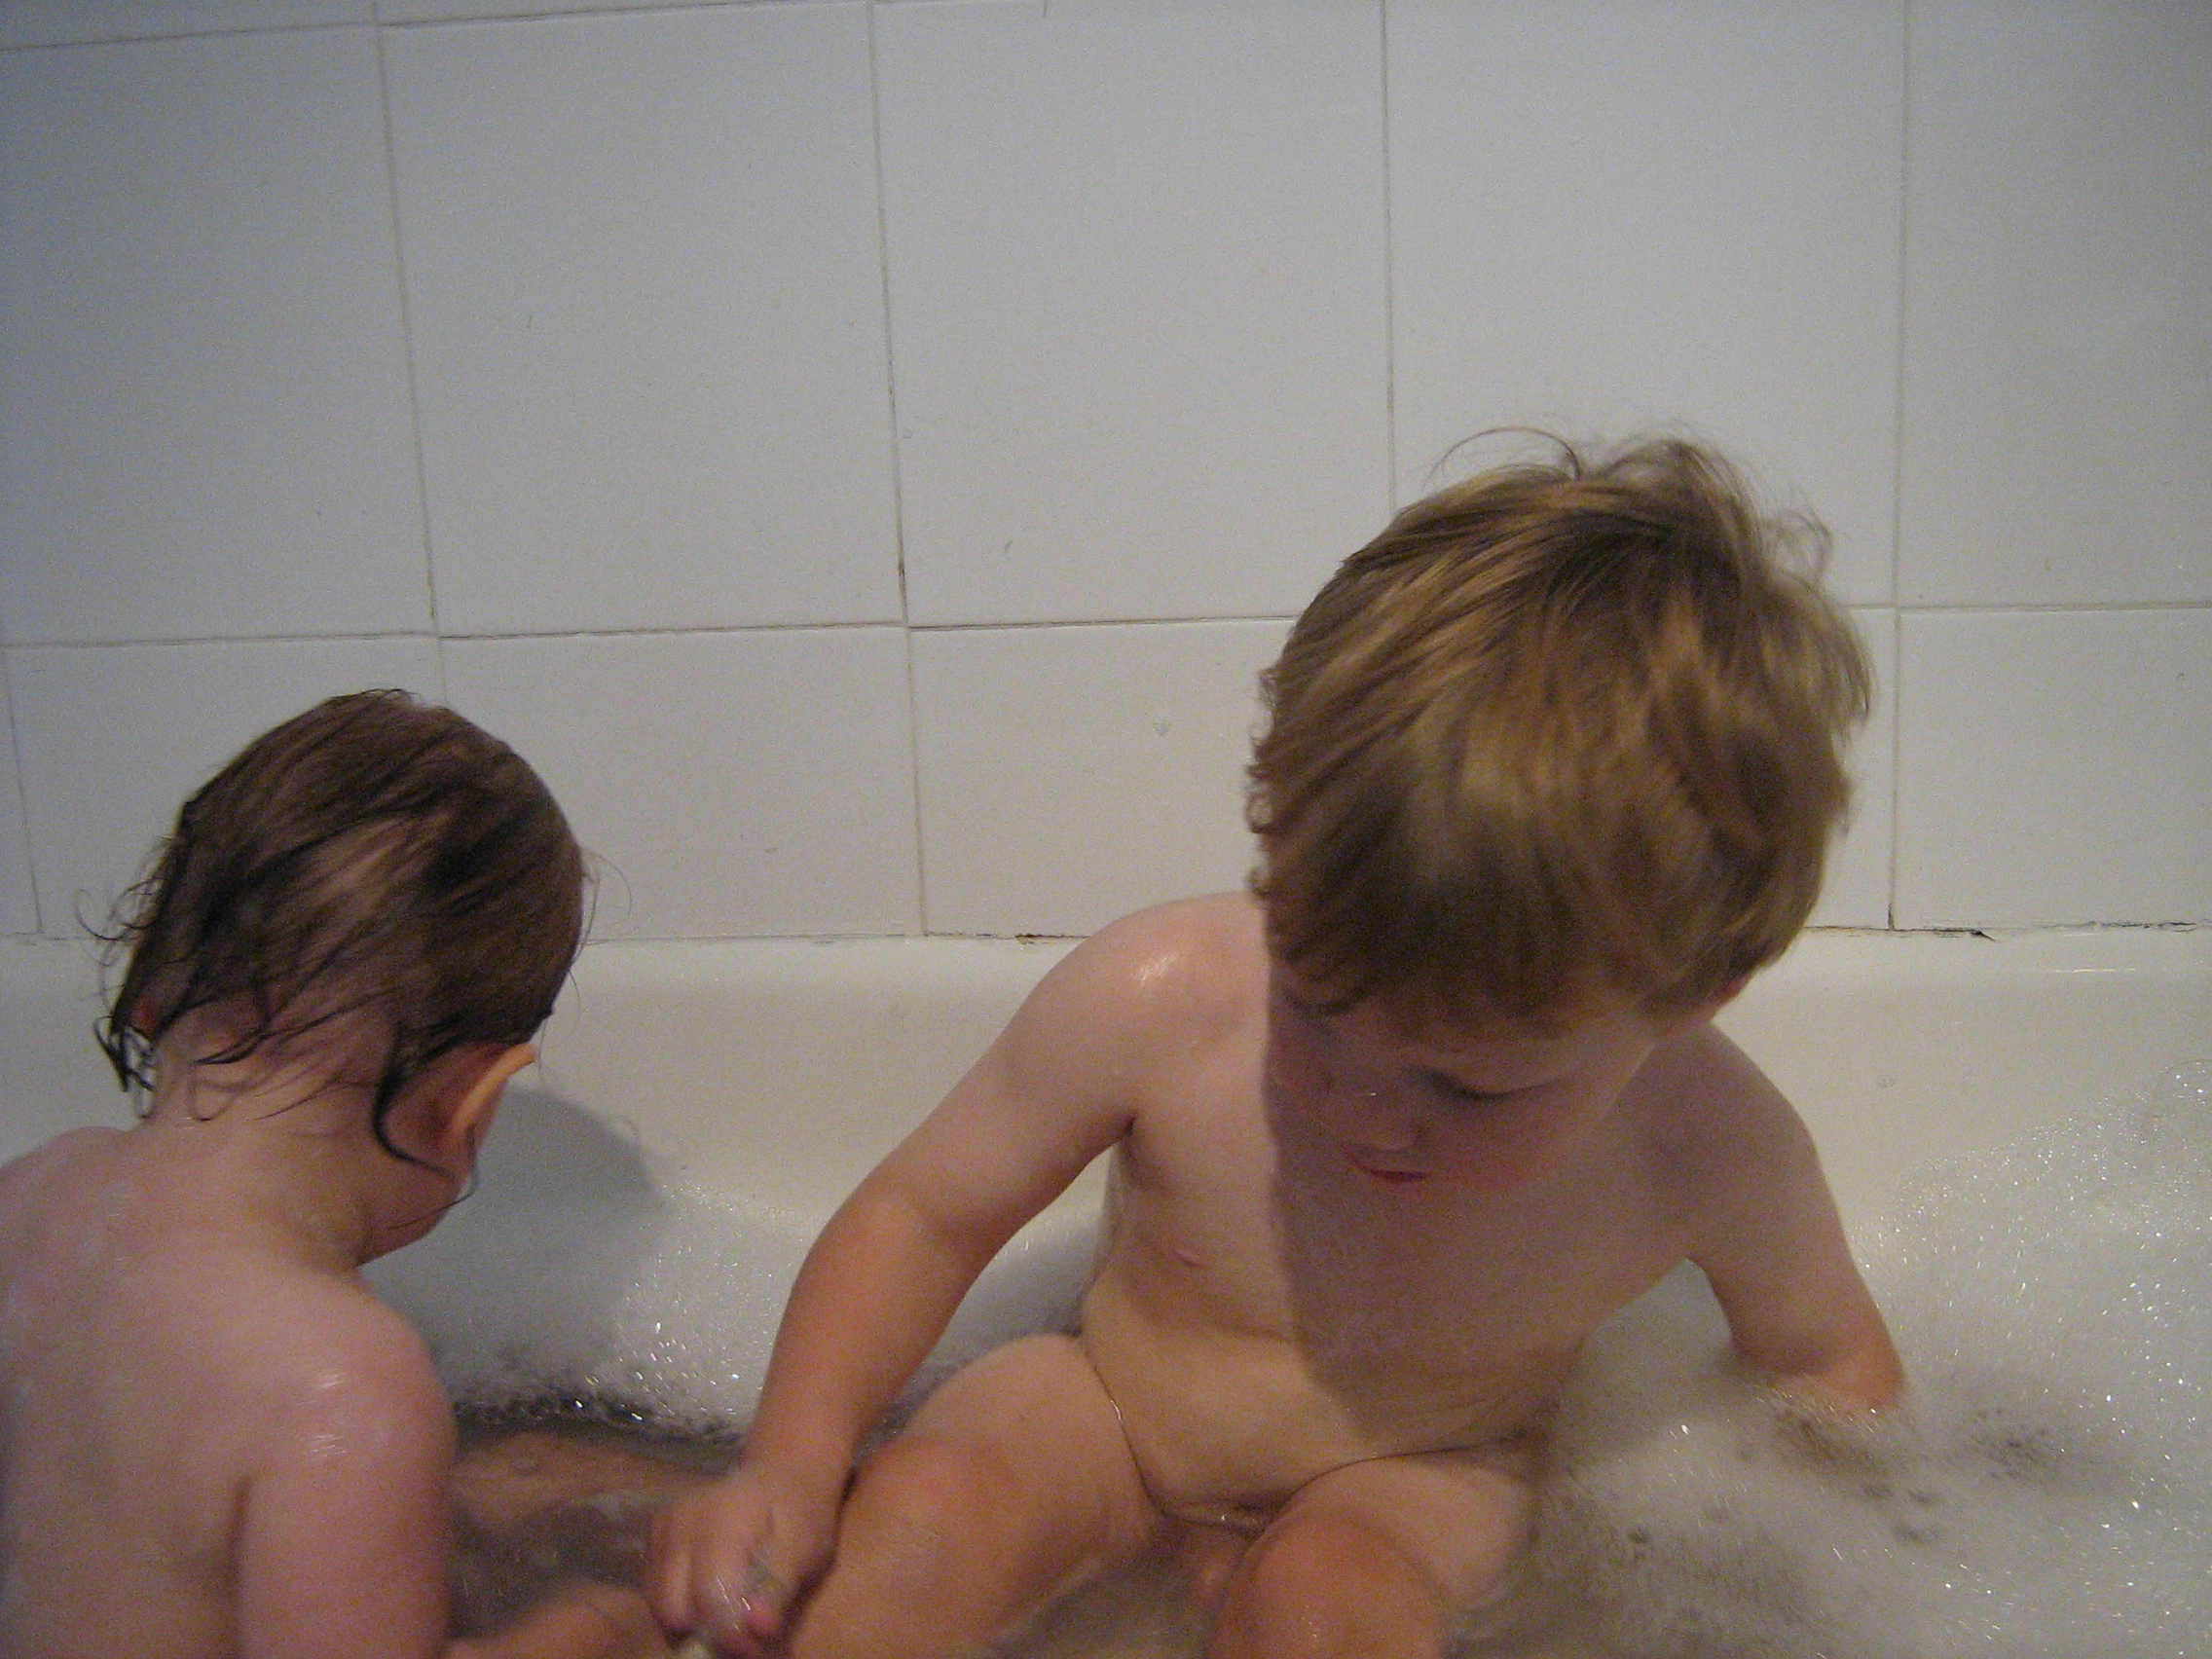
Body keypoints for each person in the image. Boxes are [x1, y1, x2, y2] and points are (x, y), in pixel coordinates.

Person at [648, 437, 1907, 1659]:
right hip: (1110, 1410)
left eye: (1465, 1087)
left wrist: (1820, 1576)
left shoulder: (1708, 1147)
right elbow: (923, 1217)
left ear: (1693, 996)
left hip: (1422, 1476)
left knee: (1324, 1611)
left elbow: (1835, 1370)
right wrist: (791, 1465)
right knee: (920, 1526)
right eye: (1315, 1011)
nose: (1366, 1111)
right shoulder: (1168, 1000)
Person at [0, 690, 668, 1659]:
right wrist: (597, 1629)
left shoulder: (29, 1198)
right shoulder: (344, 1389)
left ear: (148, 983)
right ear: (464, 1103)